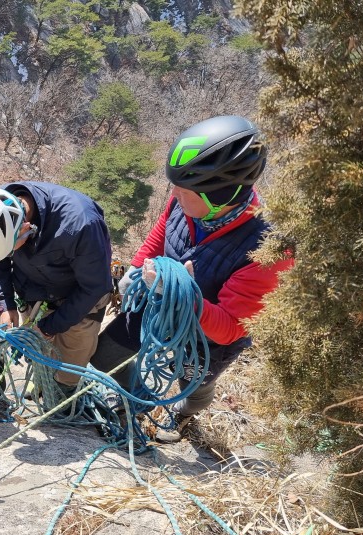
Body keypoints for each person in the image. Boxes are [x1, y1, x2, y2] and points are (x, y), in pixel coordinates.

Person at [91, 115, 294, 441]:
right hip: (157, 298)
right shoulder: (186, 199)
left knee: (194, 382)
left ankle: (184, 414)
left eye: (184, 191)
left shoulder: (269, 250)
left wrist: (183, 296)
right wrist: (137, 266)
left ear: (221, 196)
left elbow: (230, 328)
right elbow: (162, 231)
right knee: (105, 355)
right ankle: (131, 397)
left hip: (208, 338)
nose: (174, 194)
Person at [0, 184, 114, 395]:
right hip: (35, 292)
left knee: (68, 371)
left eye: (10, 249)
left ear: (25, 228)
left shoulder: (81, 224)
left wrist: (50, 326)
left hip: (81, 304)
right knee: (40, 357)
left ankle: (62, 399)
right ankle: (42, 384)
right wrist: (5, 304)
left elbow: (94, 287)